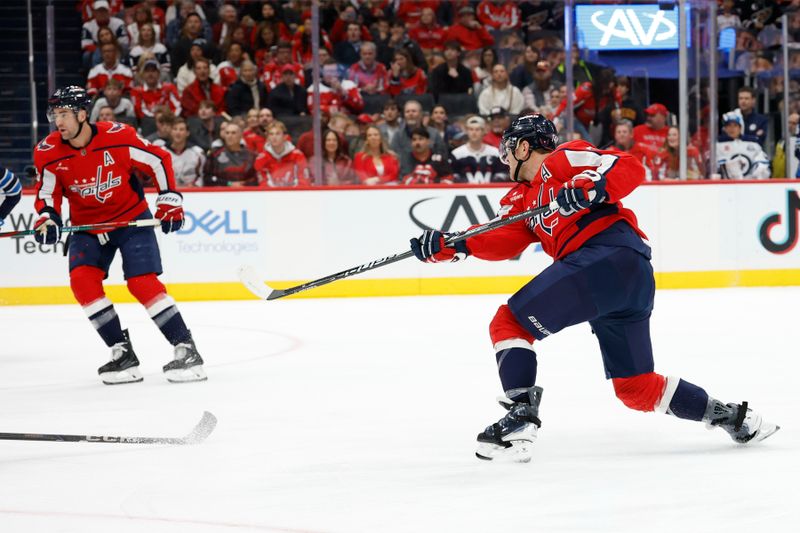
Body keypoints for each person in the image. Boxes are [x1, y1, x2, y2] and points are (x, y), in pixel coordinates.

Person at [409, 113, 778, 462]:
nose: (505, 160)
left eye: (508, 150)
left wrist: (594, 187)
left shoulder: (563, 159)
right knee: (635, 388)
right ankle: (731, 417)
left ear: (523, 148)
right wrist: (451, 245)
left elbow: (629, 166)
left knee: (509, 324)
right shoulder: (522, 199)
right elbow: (500, 238)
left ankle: (520, 419)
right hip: (625, 279)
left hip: (607, 256)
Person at [32, 86, 206, 385]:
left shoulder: (118, 137)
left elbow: (158, 160)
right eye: (54, 114)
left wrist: (169, 199)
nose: (57, 121)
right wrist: (47, 217)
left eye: (64, 114)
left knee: (142, 283)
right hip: (87, 228)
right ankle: (122, 353)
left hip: (130, 221)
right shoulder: (46, 152)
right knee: (83, 283)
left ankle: (187, 349)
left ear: (82, 114)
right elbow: (48, 194)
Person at [450, 116, 508, 183]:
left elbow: (502, 174)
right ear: (466, 131)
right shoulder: (456, 154)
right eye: (471, 129)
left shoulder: (495, 153)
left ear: (484, 131)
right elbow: (454, 177)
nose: (474, 133)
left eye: (477, 129)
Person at [254, 121, 311, 187]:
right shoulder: (261, 159)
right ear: (268, 138)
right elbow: (263, 184)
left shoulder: (298, 155)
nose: (274, 137)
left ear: (285, 137)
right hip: (271, 196)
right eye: (271, 134)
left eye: (277, 134)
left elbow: (303, 181)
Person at [716, 112, 770, 179]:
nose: (732, 129)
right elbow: (714, 165)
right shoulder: (718, 145)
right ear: (725, 128)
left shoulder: (753, 143)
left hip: (750, 184)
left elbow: (762, 161)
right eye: (729, 125)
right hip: (727, 185)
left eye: (735, 125)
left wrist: (759, 169)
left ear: (740, 128)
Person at [164, 117, 205, 187]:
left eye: (181, 129)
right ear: (171, 132)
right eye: (175, 129)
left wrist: (194, 185)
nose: (178, 132)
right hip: (169, 193)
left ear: (187, 133)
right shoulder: (162, 152)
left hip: (193, 192)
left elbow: (200, 175)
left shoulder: (198, 153)